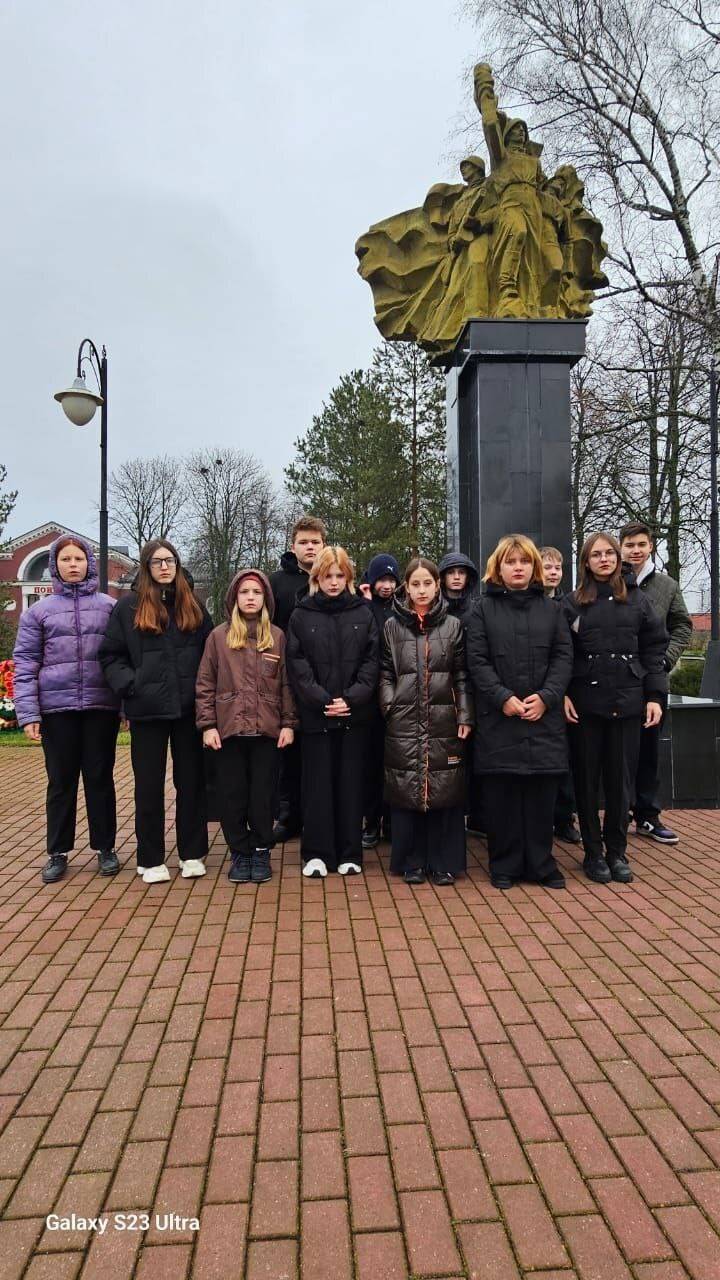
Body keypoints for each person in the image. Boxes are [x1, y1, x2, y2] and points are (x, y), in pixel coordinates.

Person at [100, 540, 214, 884]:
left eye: (170, 560)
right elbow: (110, 655)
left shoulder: (192, 604)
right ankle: (150, 859)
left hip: (188, 710)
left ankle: (192, 853)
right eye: (157, 561)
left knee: (191, 783)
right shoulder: (128, 607)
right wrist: (131, 685)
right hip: (146, 710)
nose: (165, 567)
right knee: (148, 787)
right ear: (146, 566)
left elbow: (211, 653)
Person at [466, 535, 573, 890]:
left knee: (542, 796)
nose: (518, 568)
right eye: (510, 562)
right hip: (500, 718)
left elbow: (563, 657)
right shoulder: (482, 610)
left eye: (524, 562)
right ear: (498, 567)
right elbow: (477, 661)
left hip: (543, 719)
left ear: (534, 567)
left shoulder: (553, 610)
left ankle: (541, 864)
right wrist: (503, 697)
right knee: (503, 797)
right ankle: (505, 864)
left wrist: (547, 697)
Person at [13, 535, 121, 884]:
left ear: (89, 563)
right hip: (57, 710)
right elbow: (25, 663)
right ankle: (57, 852)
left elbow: (122, 658)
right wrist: (29, 713)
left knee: (100, 779)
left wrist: (125, 706)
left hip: (100, 707)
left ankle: (105, 848)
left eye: (78, 559)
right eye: (65, 559)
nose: (73, 565)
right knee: (61, 782)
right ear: (55, 566)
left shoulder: (109, 607)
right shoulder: (38, 612)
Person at [564, 532, 668, 885]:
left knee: (620, 783)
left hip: (628, 703)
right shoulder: (572, 603)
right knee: (586, 781)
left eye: (609, 553)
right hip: (585, 705)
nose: (604, 559)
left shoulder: (639, 601)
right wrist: (563, 694)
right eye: (596, 554)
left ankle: (617, 852)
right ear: (586, 561)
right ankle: (593, 853)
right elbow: (563, 654)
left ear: (618, 558)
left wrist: (654, 696)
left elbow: (654, 650)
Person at [195, 571, 297, 884]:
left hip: (267, 731)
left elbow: (287, 684)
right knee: (233, 795)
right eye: (244, 592)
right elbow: (205, 683)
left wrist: (289, 723)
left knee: (263, 796)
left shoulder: (277, 636)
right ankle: (240, 851)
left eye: (256, 592)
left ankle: (262, 849)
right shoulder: (218, 637)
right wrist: (208, 725)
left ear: (265, 598)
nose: (250, 597)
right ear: (234, 598)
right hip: (229, 731)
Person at [286, 546, 379, 877]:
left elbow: (372, 662)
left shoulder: (363, 613)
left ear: (349, 578)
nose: (334, 582)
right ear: (317, 578)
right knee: (317, 787)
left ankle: (350, 853)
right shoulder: (301, 615)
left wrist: (350, 699)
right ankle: (316, 854)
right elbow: (297, 665)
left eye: (340, 575)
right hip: (317, 718)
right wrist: (323, 700)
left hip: (354, 717)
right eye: (328, 576)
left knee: (350, 786)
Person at [380, 557, 473, 886]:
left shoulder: (453, 625)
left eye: (428, 583)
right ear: (406, 587)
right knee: (407, 788)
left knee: (444, 788)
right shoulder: (392, 626)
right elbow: (385, 672)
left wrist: (464, 713)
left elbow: (461, 674)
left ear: (437, 586)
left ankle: (443, 862)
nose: (422, 590)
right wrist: (390, 705)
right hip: (404, 720)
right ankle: (412, 861)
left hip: (443, 719)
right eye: (415, 584)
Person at [619, 521, 692, 845]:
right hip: (616, 681)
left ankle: (647, 815)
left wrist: (665, 660)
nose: (635, 550)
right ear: (621, 548)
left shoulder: (667, 585)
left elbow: (683, 626)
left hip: (651, 680)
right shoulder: (609, 582)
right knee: (617, 752)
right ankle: (619, 812)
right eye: (629, 545)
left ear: (650, 546)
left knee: (649, 750)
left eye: (641, 545)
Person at [269, 515, 327, 843]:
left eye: (315, 542)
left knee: (319, 755)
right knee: (287, 754)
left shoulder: (333, 579)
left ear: (324, 545)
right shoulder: (276, 583)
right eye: (303, 542)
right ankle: (288, 816)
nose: (310, 548)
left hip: (325, 680)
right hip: (287, 680)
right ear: (293, 546)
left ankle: (319, 815)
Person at [439, 551, 485, 836]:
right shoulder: (436, 608)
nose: (456, 577)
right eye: (451, 572)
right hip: (444, 689)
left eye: (462, 572)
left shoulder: (478, 608)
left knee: (476, 755)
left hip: (475, 687)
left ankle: (477, 816)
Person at [540, 545, 581, 846]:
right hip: (536, 694)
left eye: (557, 567)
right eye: (547, 567)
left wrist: (564, 691)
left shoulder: (570, 607)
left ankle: (564, 818)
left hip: (563, 695)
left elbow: (573, 653)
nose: (553, 573)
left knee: (565, 762)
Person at [359, 553, 400, 849]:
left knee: (393, 764)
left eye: (391, 580)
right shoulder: (363, 607)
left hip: (397, 696)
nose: (386, 586)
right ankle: (371, 822)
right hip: (369, 698)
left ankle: (391, 822)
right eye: (381, 580)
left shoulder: (401, 608)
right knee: (371, 766)